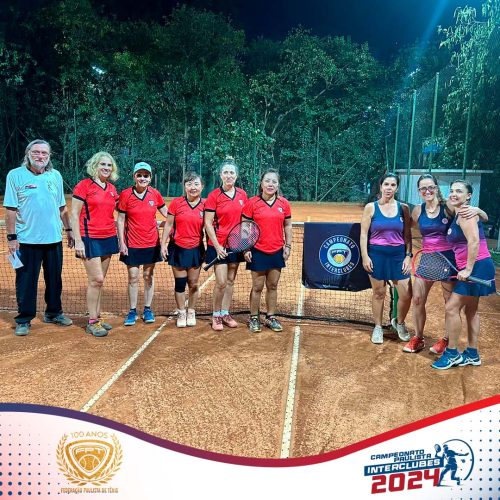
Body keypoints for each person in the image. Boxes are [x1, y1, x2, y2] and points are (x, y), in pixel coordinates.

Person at [403, 174, 488, 354]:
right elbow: (405, 230)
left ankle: (446, 339)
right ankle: (418, 338)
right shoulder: (417, 210)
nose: (427, 191)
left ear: (436, 188)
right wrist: (407, 253)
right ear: (418, 191)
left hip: (449, 259)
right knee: (417, 299)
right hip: (427, 259)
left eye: (431, 187)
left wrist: (479, 211)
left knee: (449, 303)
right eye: (423, 188)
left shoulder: (449, 206)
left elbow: (478, 217)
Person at [3, 139, 74, 336]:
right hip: (26, 242)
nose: (40, 156)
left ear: (49, 156)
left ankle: (53, 313)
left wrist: (69, 230)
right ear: (28, 154)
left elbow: (62, 207)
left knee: (55, 280)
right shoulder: (15, 175)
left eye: (44, 153)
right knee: (26, 281)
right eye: (36, 152)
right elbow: (10, 210)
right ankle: (24, 319)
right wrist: (11, 238)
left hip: (54, 240)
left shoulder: (55, 175)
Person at [431, 180, 496, 370]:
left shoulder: (466, 214)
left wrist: (468, 269)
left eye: (459, 191)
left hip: (477, 266)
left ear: (468, 196)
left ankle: (452, 353)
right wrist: (480, 211)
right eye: (452, 190)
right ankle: (472, 354)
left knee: (452, 308)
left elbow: (474, 241)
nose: (453, 194)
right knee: (471, 311)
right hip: (479, 265)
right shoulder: (461, 211)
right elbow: (483, 218)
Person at [360, 172, 412, 344]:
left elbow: (407, 235)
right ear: (381, 186)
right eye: (386, 184)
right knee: (379, 293)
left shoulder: (403, 208)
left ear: (397, 188)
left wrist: (408, 256)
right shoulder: (371, 207)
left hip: (398, 255)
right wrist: (365, 256)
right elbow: (363, 234)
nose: (389, 188)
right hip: (377, 254)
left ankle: (400, 322)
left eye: (393, 185)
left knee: (406, 294)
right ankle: (377, 327)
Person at [71, 152, 119, 337]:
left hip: (109, 236)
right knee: (96, 280)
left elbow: (121, 211)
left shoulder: (112, 188)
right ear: (95, 166)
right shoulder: (84, 185)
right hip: (89, 237)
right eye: (102, 164)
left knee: (100, 281)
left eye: (109, 165)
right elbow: (74, 214)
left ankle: (97, 317)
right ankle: (92, 322)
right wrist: (78, 241)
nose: (106, 168)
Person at [117, 162, 168, 326]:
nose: (142, 178)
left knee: (148, 276)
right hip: (132, 243)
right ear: (134, 177)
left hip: (151, 243)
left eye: (146, 175)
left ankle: (147, 309)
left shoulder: (155, 194)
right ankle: (132, 311)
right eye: (139, 175)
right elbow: (120, 220)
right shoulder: (126, 194)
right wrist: (121, 243)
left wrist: (180, 219)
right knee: (133, 277)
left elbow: (168, 214)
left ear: (150, 178)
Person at [241, 168, 292, 333]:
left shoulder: (284, 204)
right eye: (267, 181)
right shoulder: (252, 203)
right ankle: (254, 317)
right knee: (257, 286)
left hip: (277, 250)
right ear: (261, 184)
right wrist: (246, 248)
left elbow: (287, 225)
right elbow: (245, 227)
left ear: (278, 185)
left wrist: (288, 245)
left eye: (274, 181)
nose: (270, 184)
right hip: (257, 250)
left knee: (273, 285)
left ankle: (270, 317)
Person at [204, 158, 248, 331]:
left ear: (236, 176)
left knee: (230, 281)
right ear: (221, 175)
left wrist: (244, 245)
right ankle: (216, 315)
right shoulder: (214, 195)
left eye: (232, 173)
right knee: (221, 282)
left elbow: (245, 222)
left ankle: (225, 312)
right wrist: (217, 247)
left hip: (235, 245)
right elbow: (208, 223)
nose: (229, 175)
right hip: (218, 244)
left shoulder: (243, 195)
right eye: (225, 172)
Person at [160, 172, 205, 328]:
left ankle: (191, 311)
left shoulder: (205, 205)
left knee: (193, 284)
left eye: (196, 184)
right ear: (184, 186)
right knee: (180, 284)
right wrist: (163, 244)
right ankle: (181, 312)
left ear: (202, 187)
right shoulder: (176, 203)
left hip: (196, 249)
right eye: (189, 184)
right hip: (177, 248)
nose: (193, 187)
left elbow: (210, 227)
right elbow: (168, 224)